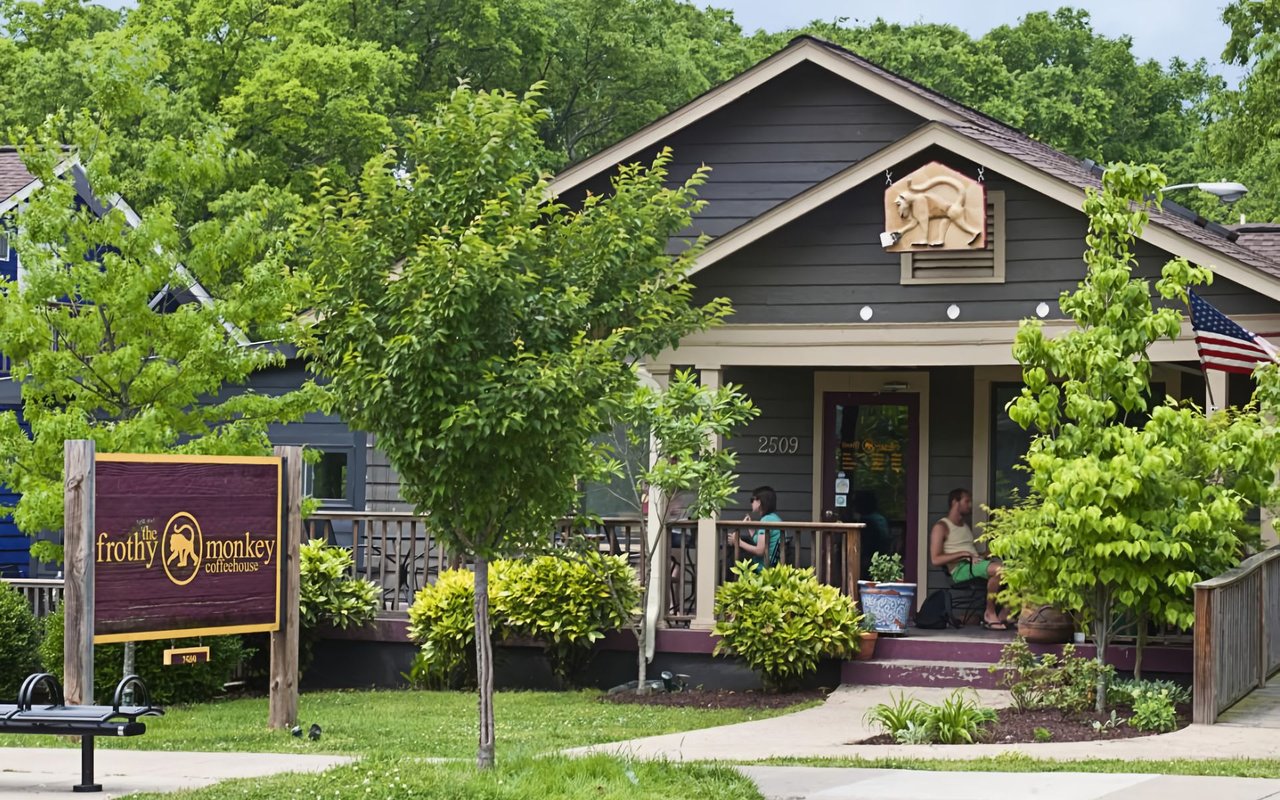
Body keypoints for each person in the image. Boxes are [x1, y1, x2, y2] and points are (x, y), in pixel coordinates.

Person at [928, 487, 1008, 630]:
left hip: (974, 564)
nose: (970, 505)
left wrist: (988, 552)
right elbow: (935, 559)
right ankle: (990, 613)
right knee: (1000, 570)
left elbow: (974, 555)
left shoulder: (965, 527)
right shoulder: (941, 526)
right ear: (955, 502)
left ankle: (1004, 614)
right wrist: (962, 554)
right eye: (967, 501)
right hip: (959, 570)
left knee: (1015, 571)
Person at [728, 485, 782, 570]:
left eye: (752, 500)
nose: (751, 503)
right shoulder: (774, 518)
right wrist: (750, 527)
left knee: (731, 558)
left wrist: (738, 542)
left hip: (763, 567)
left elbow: (760, 551)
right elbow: (759, 541)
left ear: (759, 502)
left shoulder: (766, 520)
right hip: (769, 564)